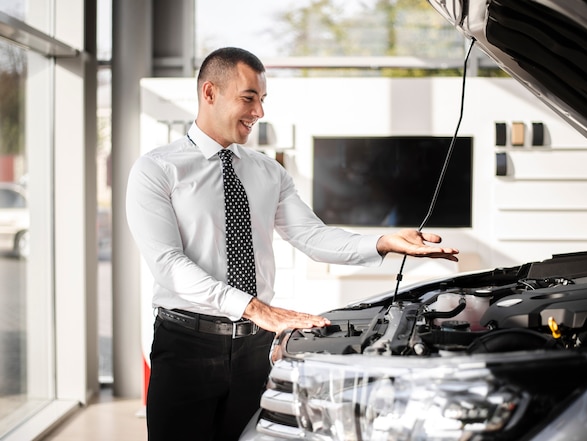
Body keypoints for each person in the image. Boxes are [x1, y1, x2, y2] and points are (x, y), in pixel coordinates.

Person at [126, 47, 459, 441]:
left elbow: (311, 236)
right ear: (210, 93)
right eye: (249, 98)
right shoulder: (157, 169)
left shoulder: (267, 170)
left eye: (262, 100)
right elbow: (168, 264)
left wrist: (384, 241)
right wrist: (253, 308)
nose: (259, 113)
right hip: (187, 348)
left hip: (255, 351)